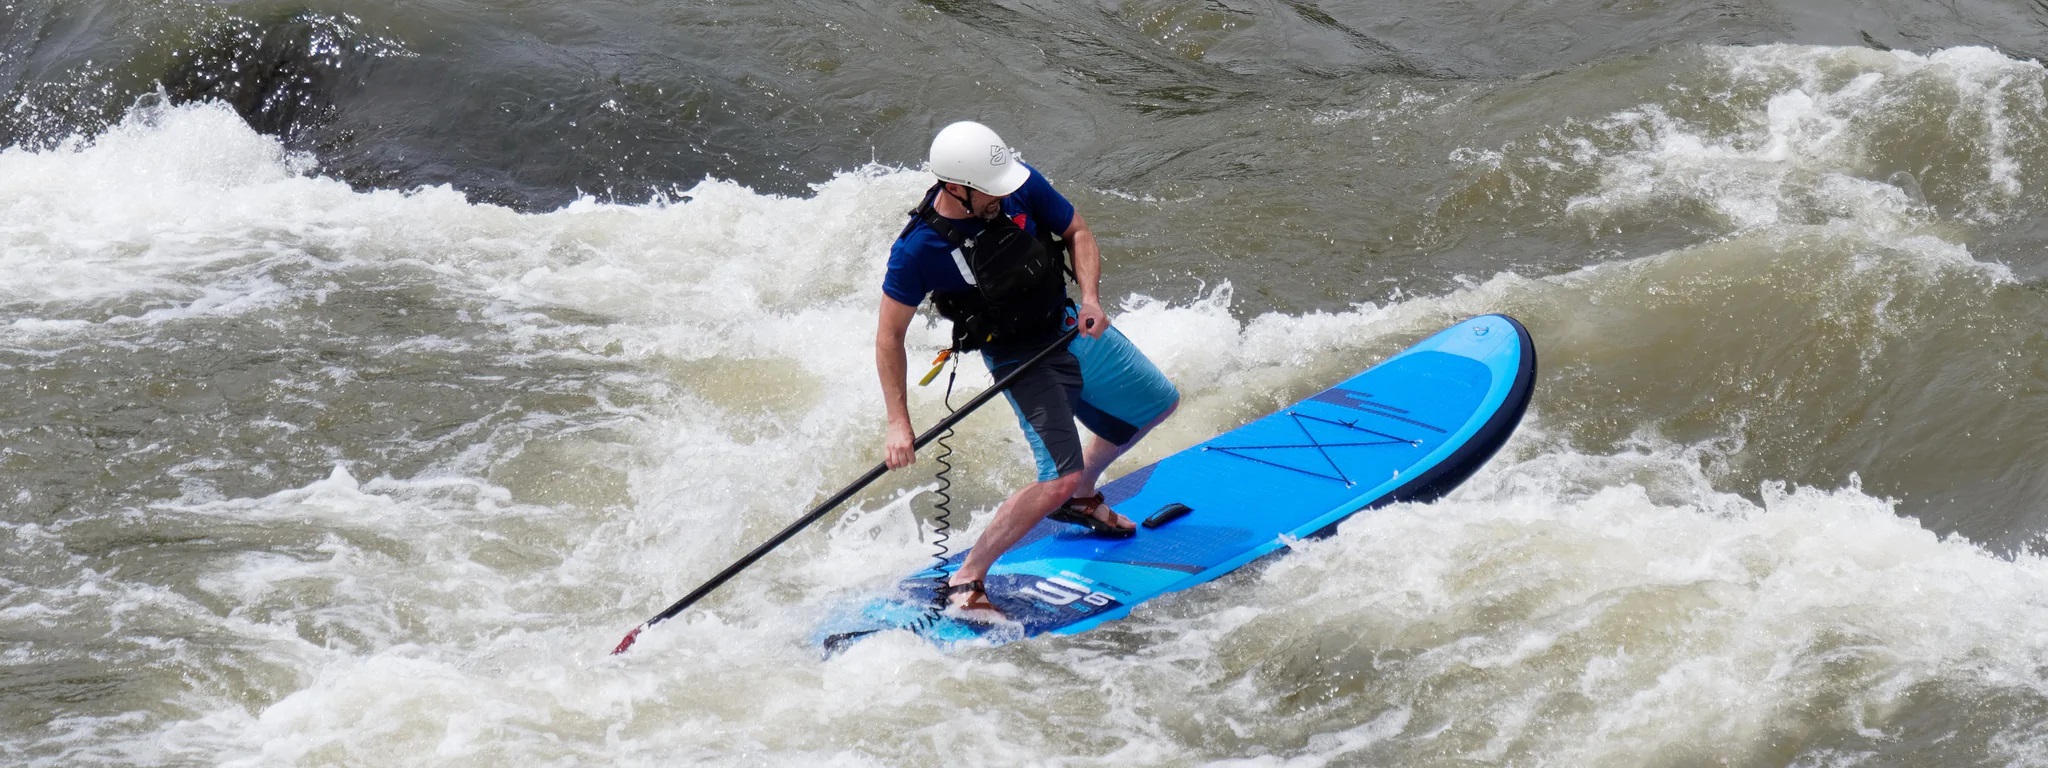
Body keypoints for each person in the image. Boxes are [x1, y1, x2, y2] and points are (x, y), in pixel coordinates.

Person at [875, 120, 1179, 619]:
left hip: (1068, 326)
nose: (1005, 196)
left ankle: (1080, 500)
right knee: (1056, 476)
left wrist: (1091, 299)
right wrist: (898, 421)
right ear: (956, 188)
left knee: (1156, 403)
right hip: (1020, 359)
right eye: (990, 193)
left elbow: (1077, 230)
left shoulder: (1017, 183)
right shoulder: (917, 250)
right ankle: (967, 578)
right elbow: (889, 336)